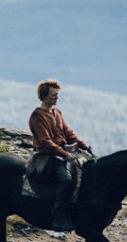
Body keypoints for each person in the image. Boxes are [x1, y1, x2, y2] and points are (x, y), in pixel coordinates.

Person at [28, 79, 92, 230]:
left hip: (62, 152)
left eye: (57, 95)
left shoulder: (57, 112)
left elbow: (68, 133)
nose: (57, 98)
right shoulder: (38, 116)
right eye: (53, 95)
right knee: (67, 180)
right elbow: (45, 142)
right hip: (48, 155)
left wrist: (83, 145)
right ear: (44, 96)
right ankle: (58, 216)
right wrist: (64, 154)